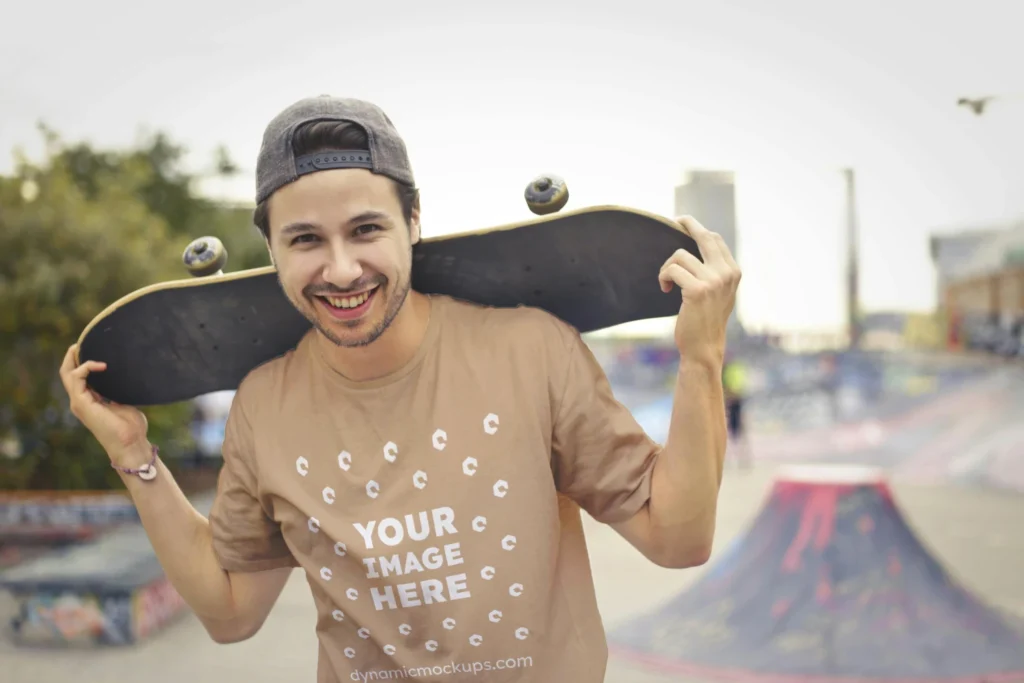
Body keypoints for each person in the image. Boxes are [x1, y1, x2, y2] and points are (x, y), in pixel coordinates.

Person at [59, 95, 741, 682]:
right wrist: (135, 457)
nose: (342, 268)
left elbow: (676, 538)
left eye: (366, 229)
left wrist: (701, 357)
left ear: (413, 221)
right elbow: (232, 611)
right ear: (271, 249)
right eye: (305, 240)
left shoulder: (530, 349)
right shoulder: (265, 404)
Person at [722, 354, 752, 468]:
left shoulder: (731, 370)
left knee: (737, 431)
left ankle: (741, 459)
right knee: (734, 432)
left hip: (733, 402)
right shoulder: (731, 369)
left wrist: (730, 395)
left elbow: (735, 388)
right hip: (731, 402)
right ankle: (739, 459)